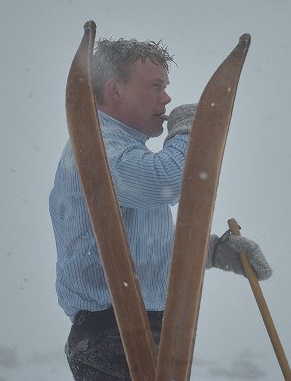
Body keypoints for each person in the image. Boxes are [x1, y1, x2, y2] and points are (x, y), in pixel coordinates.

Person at [49, 37, 272, 380]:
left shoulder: (123, 152)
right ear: (115, 90)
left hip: (131, 332)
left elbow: (136, 244)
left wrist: (209, 251)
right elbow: (164, 182)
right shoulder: (99, 144)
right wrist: (189, 131)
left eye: (166, 87)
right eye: (155, 86)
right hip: (117, 333)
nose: (166, 98)